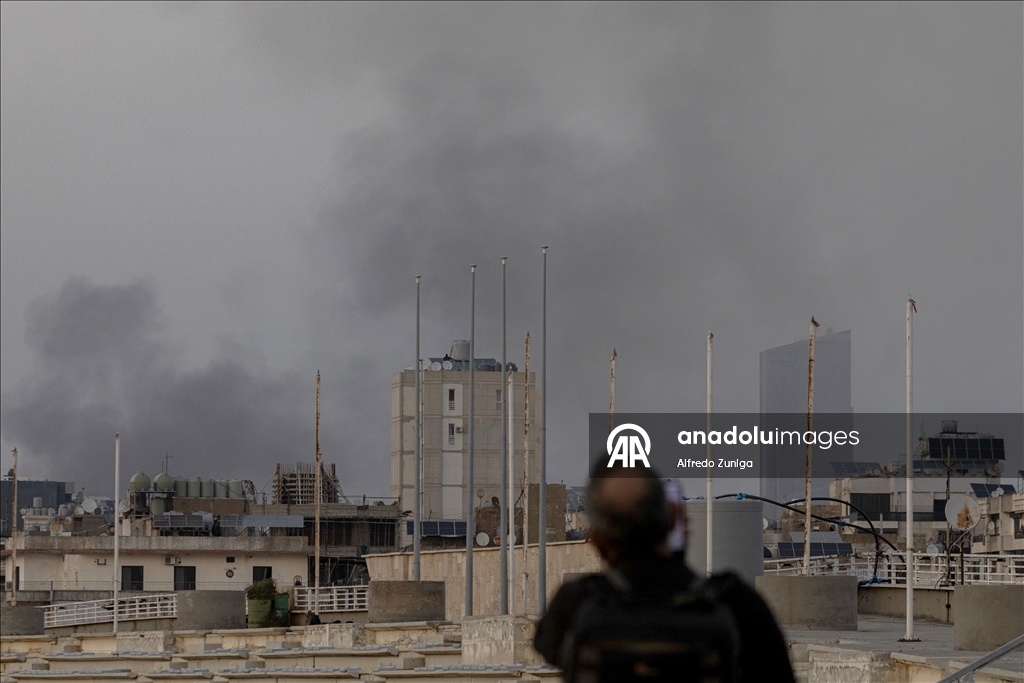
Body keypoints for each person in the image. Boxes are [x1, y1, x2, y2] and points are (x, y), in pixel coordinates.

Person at [534, 462, 794, 683]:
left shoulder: (575, 605)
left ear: (598, 541)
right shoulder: (738, 607)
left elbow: (547, 644)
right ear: (674, 520)